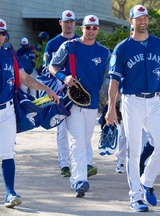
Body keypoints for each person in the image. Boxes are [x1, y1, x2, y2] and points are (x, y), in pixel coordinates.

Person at [105, 5, 160, 212]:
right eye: (138, 18)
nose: (142, 21)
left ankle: (146, 182)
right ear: (131, 21)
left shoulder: (159, 45)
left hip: (154, 101)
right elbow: (114, 82)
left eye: (145, 17)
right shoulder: (122, 48)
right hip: (132, 101)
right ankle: (135, 197)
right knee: (134, 150)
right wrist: (112, 108)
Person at [0, 18, 59, 208]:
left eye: (3, 33)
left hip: (7, 110)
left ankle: (10, 192)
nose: (0, 36)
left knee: (8, 152)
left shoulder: (10, 55)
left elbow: (24, 78)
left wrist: (47, 89)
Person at [49, 15, 110, 197]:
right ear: (81, 28)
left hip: (92, 104)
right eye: (88, 27)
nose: (91, 31)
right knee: (77, 141)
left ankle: (78, 176)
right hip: (72, 102)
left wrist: (108, 104)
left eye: (94, 28)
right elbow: (53, 67)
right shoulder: (69, 46)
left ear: (98, 30)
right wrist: (63, 77)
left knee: (84, 141)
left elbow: (107, 80)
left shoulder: (105, 52)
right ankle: (79, 180)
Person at [44, 10, 97, 178]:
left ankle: (86, 164)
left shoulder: (88, 43)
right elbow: (49, 68)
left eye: (71, 21)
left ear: (75, 24)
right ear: (60, 23)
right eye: (65, 21)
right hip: (61, 92)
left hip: (83, 93)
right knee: (62, 131)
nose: (68, 24)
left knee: (84, 132)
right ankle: (65, 165)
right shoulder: (54, 43)